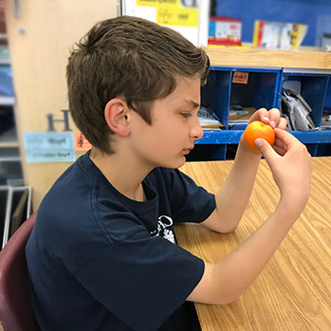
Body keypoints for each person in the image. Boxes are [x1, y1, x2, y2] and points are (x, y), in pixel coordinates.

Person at [25, 15, 311, 331]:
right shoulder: (95, 229)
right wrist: (292, 202)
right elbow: (220, 286)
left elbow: (223, 216)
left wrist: (249, 147)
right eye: (185, 114)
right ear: (121, 117)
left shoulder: (146, 170)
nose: (198, 130)